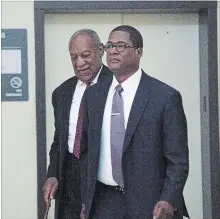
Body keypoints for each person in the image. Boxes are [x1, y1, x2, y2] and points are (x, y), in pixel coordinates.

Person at [80, 25, 189, 219]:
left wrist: (169, 199)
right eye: (109, 45)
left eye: (121, 45)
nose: (113, 50)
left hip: (149, 202)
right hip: (102, 202)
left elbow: (177, 160)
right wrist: (86, 200)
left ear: (138, 52)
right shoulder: (93, 95)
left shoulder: (164, 97)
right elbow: (87, 152)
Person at [43, 29, 112, 219]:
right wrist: (52, 174)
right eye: (73, 57)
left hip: (102, 182)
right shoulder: (62, 92)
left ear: (100, 50)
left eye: (85, 55)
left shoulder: (116, 86)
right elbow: (59, 141)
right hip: (69, 180)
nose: (79, 63)